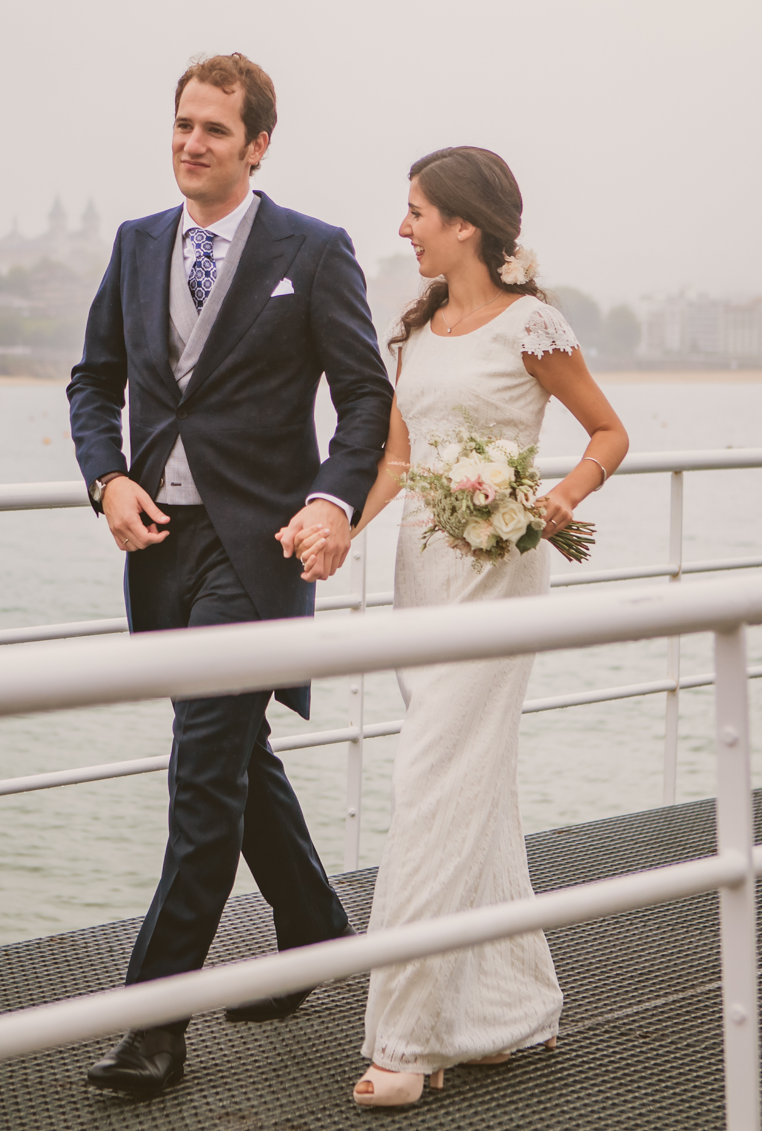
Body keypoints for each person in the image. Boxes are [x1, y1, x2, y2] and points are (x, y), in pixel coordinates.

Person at [66, 53, 395, 1096]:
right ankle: (312, 927)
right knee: (234, 744)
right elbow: (94, 380)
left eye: (213, 128)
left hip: (260, 550)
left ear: (257, 144)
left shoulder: (315, 249)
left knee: (202, 770)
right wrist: (107, 477)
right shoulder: (134, 244)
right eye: (181, 124)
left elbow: (365, 400)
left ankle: (153, 1022)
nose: (189, 142)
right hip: (163, 547)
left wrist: (330, 500)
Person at [292, 146, 628, 1108]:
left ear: (465, 224)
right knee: (471, 786)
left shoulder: (535, 325)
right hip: (424, 577)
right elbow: (397, 461)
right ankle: (508, 1014)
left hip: (501, 577)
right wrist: (343, 530)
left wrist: (557, 500)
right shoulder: (417, 329)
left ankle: (407, 1040)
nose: (403, 229)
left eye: (416, 213)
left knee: (431, 784)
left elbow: (609, 432)